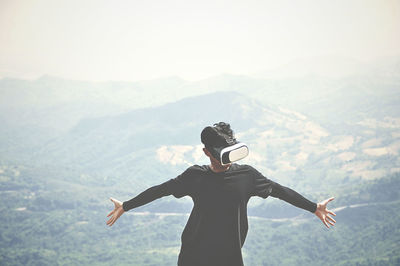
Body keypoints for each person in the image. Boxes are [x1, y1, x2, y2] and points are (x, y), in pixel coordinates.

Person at [106, 122, 336, 266]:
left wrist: (314, 207)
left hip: (229, 257)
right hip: (193, 256)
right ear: (206, 152)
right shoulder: (195, 175)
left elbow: (279, 191)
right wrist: (126, 205)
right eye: (220, 155)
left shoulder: (247, 175)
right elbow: (160, 190)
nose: (226, 161)